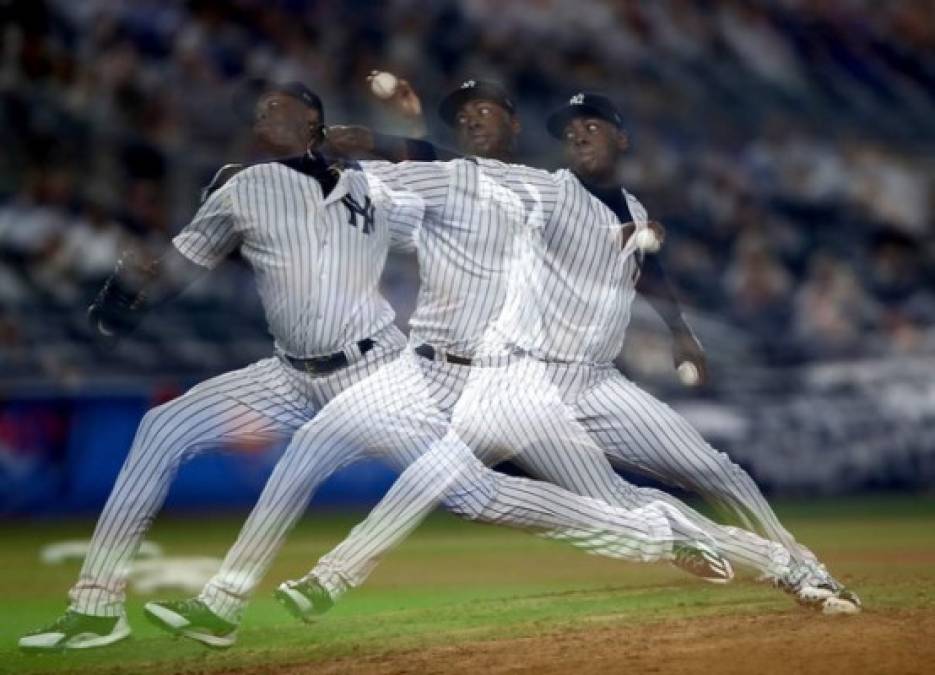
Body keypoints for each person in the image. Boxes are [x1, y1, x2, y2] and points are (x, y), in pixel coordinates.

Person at [271, 85, 860, 617]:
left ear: (622, 138)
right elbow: (462, 170)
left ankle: (800, 566)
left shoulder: (632, 209)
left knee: (714, 471)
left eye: (592, 124)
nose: (577, 133)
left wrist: (682, 332)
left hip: (599, 381)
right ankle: (329, 579)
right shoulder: (547, 192)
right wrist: (379, 142)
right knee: (439, 476)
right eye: (570, 129)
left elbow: (646, 272)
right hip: (524, 382)